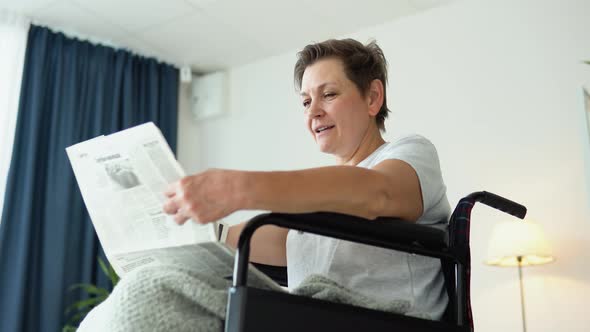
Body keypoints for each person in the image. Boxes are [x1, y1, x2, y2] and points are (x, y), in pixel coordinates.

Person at [79, 38, 450, 331]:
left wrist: (238, 188)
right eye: (305, 101)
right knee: (145, 284)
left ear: (372, 97)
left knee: (151, 294)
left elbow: (375, 194)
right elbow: (268, 238)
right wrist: (187, 232)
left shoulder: (410, 152)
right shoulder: (323, 197)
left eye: (329, 94)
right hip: (316, 314)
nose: (313, 111)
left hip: (383, 318)